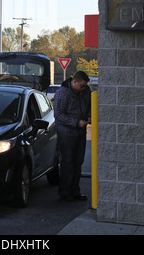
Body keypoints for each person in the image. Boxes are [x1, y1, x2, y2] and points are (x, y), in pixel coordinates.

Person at [53, 70, 91, 201]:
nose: (84, 88)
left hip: (81, 132)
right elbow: (58, 115)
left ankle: (75, 191)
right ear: (74, 82)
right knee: (68, 162)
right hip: (67, 132)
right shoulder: (62, 94)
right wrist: (76, 122)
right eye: (81, 85)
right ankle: (65, 192)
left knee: (78, 162)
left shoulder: (85, 91)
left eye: (85, 86)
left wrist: (90, 116)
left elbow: (89, 104)